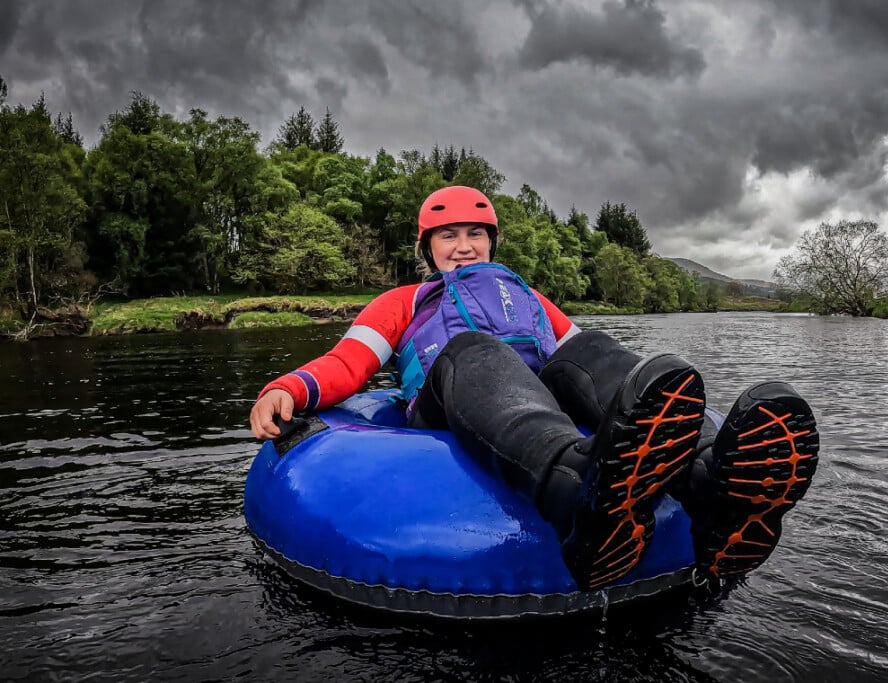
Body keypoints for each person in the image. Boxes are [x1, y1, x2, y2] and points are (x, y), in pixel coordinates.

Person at [250, 185, 820, 591]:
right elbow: (348, 363)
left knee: (588, 346)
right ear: (428, 247)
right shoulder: (402, 302)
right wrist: (291, 389)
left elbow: (586, 364)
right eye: (449, 236)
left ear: (491, 242)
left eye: (476, 234)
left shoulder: (526, 298)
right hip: (447, 406)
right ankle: (574, 495)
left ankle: (712, 485)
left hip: (532, 401)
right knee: (475, 348)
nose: (464, 246)